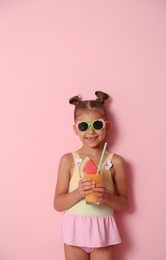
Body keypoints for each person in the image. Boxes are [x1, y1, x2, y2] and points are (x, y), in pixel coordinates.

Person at [54, 91, 129, 260]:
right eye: (83, 126)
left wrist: (107, 197)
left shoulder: (115, 161)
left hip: (103, 231)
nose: (90, 131)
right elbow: (58, 204)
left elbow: (125, 204)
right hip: (74, 231)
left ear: (107, 126)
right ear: (75, 129)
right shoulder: (68, 160)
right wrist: (78, 193)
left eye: (97, 125)